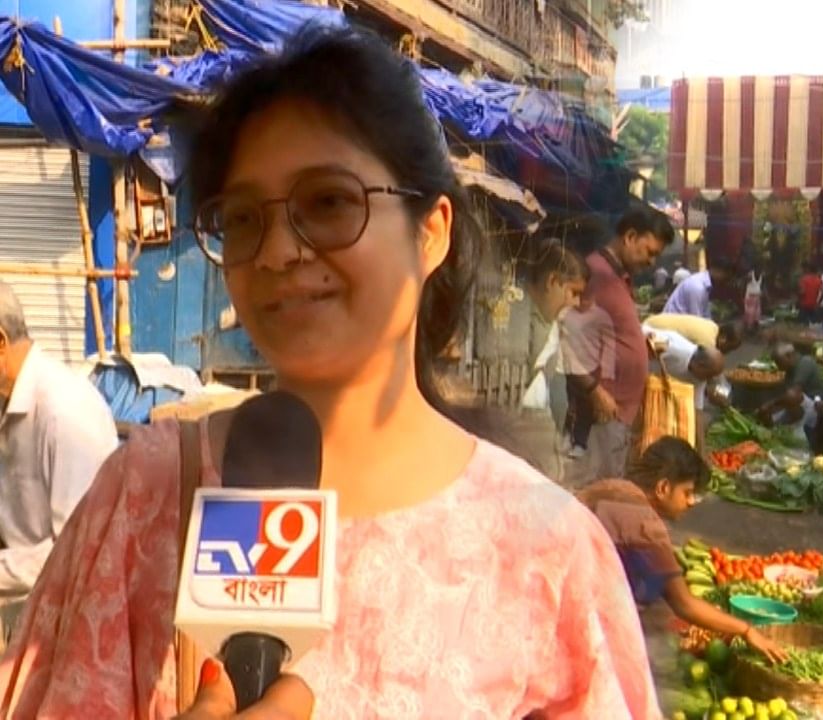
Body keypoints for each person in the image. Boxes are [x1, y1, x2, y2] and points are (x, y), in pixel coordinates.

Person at [0, 27, 661, 719]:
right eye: (244, 218)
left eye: (329, 202)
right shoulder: (141, 498)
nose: (279, 250)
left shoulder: (547, 552)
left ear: (431, 230)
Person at [577, 436, 787, 663]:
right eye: (687, 492)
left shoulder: (612, 487)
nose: (690, 502)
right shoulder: (646, 524)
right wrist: (746, 630)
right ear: (663, 487)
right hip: (582, 618)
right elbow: (684, 604)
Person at [0, 281, 118, 642]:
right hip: (25, 614)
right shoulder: (10, 399)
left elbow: (77, 551)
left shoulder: (63, 411)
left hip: (70, 629)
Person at [586, 206, 674, 480]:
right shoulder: (596, 274)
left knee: (611, 483)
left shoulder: (618, 278)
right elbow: (572, 339)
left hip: (619, 410)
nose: (652, 262)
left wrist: (638, 345)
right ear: (630, 237)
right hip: (604, 409)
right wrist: (594, 390)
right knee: (601, 490)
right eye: (650, 252)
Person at [517, 241, 588, 482]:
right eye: (574, 292)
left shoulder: (551, 324)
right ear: (552, 282)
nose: (577, 303)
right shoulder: (518, 320)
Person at [562, 285, 616, 459]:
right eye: (579, 297)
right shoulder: (565, 314)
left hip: (590, 369)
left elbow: (609, 345)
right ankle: (564, 435)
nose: (582, 302)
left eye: (587, 298)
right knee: (565, 403)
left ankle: (580, 442)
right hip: (567, 367)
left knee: (585, 408)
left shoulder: (601, 316)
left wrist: (607, 372)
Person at [642, 326, 727, 410]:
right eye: (709, 375)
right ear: (701, 365)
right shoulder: (675, 348)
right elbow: (645, 340)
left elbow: (696, 407)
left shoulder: (699, 378)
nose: (708, 380)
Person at [756, 342, 823, 430]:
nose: (778, 366)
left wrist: (770, 404)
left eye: (779, 362)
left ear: (789, 356)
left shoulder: (805, 363)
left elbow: (792, 395)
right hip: (799, 407)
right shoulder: (789, 370)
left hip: (816, 406)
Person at [643, 313, 743, 354]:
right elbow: (703, 367)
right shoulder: (708, 341)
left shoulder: (712, 326)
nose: (727, 353)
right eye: (729, 348)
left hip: (652, 322)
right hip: (652, 331)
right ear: (723, 339)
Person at [661, 261, 730, 318]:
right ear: (716, 271)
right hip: (673, 326)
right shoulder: (698, 286)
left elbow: (705, 313)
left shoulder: (705, 284)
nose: (725, 281)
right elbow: (697, 319)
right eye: (725, 277)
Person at [744, 268, 764, 332]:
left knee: (757, 313)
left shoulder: (761, 275)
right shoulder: (750, 275)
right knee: (750, 313)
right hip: (750, 297)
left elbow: (760, 286)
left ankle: (755, 327)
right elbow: (744, 284)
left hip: (757, 297)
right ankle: (749, 328)